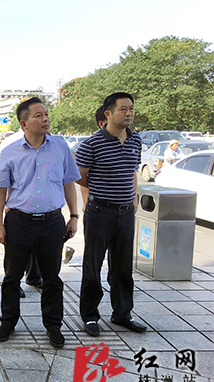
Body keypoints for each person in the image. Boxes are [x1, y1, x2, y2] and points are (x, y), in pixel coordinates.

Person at [0, 97, 80, 348]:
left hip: (52, 222)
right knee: (12, 277)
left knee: (52, 277)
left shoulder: (60, 147)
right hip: (18, 222)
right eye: (38, 116)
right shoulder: (10, 152)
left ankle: (53, 325)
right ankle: (8, 321)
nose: (45, 119)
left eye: (46, 114)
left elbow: (68, 183)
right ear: (24, 123)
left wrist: (74, 216)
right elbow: (1, 190)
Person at [76, 92, 147, 337]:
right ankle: (90, 316)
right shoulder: (91, 143)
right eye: (123, 110)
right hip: (99, 212)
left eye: (131, 109)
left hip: (126, 212)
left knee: (123, 267)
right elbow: (80, 176)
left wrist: (133, 197)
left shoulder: (136, 140)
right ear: (108, 114)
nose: (129, 114)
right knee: (93, 266)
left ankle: (122, 313)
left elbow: (132, 172)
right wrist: (97, 194)